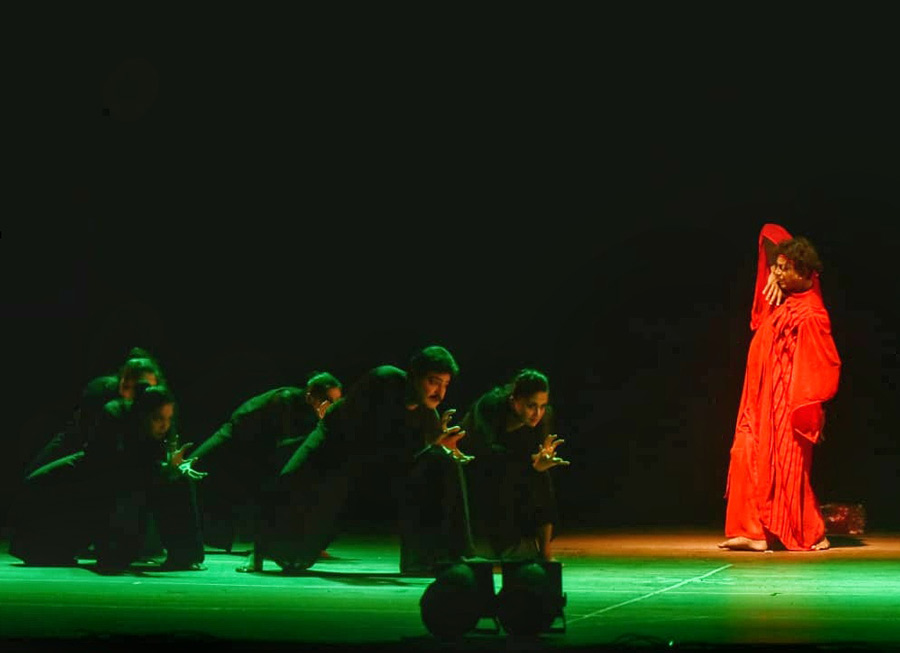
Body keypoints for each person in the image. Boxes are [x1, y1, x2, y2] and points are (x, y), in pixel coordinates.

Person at [244, 345, 474, 575]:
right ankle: (259, 550)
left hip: (370, 462)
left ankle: (439, 557)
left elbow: (412, 455)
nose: (440, 392)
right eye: (434, 382)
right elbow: (360, 434)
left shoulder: (427, 414)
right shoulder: (384, 381)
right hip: (334, 442)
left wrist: (440, 448)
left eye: (445, 385)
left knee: (442, 464)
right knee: (291, 481)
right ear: (414, 375)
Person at [719, 223, 841, 552]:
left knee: (786, 467)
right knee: (745, 453)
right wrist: (773, 272)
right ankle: (754, 532)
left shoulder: (812, 312)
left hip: (785, 406)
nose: (778, 274)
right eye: (777, 268)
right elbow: (769, 231)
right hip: (758, 399)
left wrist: (806, 407)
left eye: (785, 269)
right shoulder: (779, 301)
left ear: (804, 273)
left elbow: (823, 365)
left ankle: (810, 533)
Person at [9, 382, 207, 573]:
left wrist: (171, 469)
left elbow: (145, 470)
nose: (165, 425)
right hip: (81, 484)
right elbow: (113, 469)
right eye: (158, 419)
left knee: (177, 481)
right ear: (143, 415)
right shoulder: (115, 415)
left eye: (168, 419)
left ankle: (185, 555)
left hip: (114, 486)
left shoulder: (156, 433)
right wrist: (162, 471)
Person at [189, 371, 344, 552]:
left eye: (337, 402)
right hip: (235, 438)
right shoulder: (286, 400)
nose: (333, 407)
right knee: (192, 467)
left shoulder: (312, 412)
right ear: (311, 397)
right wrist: (320, 426)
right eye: (329, 401)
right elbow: (283, 446)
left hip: (257, 451)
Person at [460, 368, 569, 562]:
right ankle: (497, 543)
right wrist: (531, 466)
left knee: (542, 476)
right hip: (474, 466)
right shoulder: (490, 407)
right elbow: (487, 455)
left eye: (542, 406)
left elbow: (531, 460)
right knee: (521, 473)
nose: (538, 413)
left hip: (512, 468)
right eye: (531, 406)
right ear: (514, 401)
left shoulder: (542, 419)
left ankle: (543, 551)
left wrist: (542, 460)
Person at [23, 347, 165, 476]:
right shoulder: (102, 394)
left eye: (146, 389)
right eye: (131, 386)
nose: (142, 394)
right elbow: (86, 441)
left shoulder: (155, 403)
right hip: (79, 444)